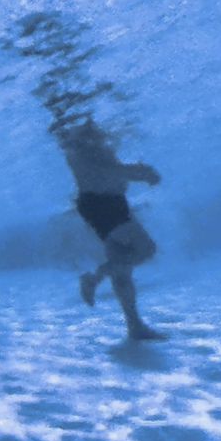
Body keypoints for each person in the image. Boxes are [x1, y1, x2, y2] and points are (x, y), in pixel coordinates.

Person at [56, 119, 166, 341]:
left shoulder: (79, 140)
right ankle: (94, 279)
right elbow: (106, 171)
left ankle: (134, 326)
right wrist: (142, 173)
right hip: (104, 204)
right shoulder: (80, 141)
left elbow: (104, 169)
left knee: (122, 267)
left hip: (106, 202)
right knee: (146, 249)